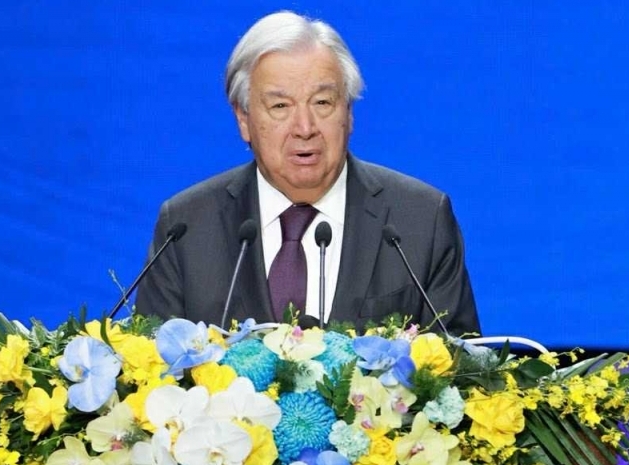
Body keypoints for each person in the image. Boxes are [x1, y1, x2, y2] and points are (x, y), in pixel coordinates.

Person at [134, 11, 481, 336]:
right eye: (280, 106)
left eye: (322, 102)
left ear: (349, 112)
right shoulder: (186, 228)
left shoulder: (420, 220)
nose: (304, 127)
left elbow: (463, 369)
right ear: (244, 119)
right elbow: (150, 369)